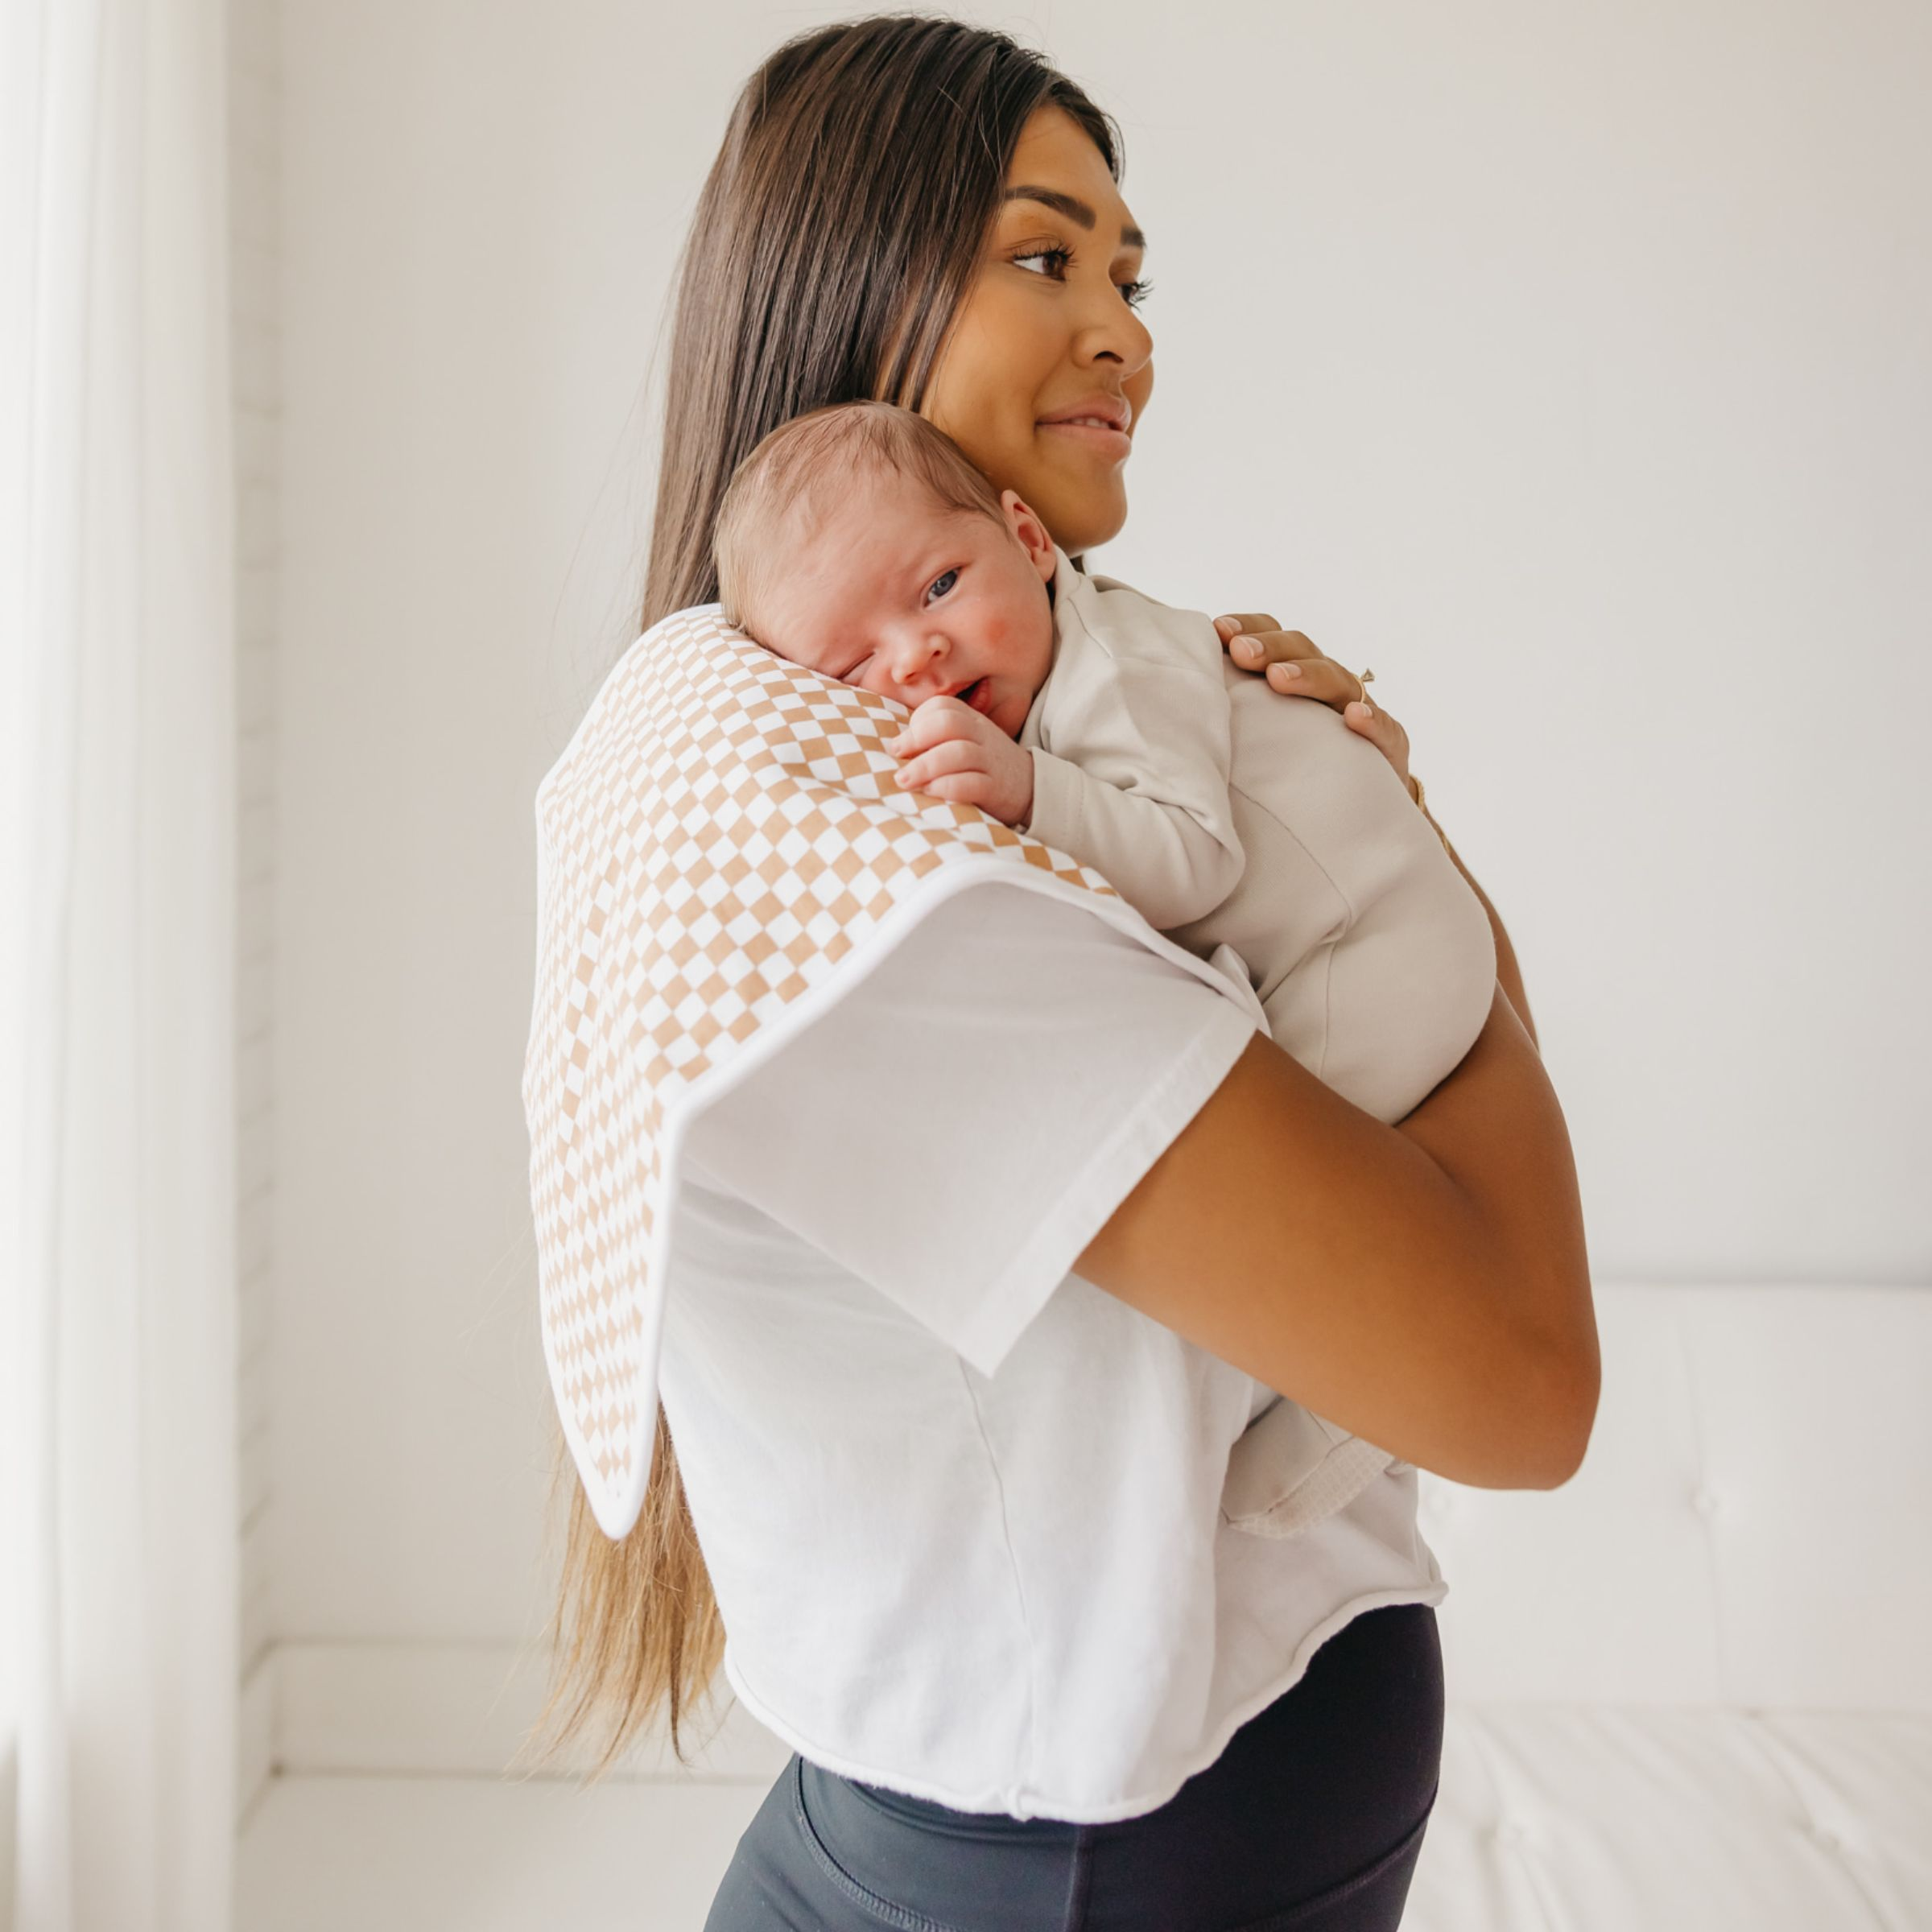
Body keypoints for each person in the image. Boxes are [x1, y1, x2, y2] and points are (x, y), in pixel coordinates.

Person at [518, 17, 1596, 1930]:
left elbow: (1514, 1393)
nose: (1125, 330)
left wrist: (1370, 828)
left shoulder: (790, 715)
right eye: (1043, 256)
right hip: (1067, 1814)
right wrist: (1423, 877)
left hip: (1140, 1787)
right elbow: (1521, 1375)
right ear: (852, 283)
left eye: (1128, 270)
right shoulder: (870, 849)